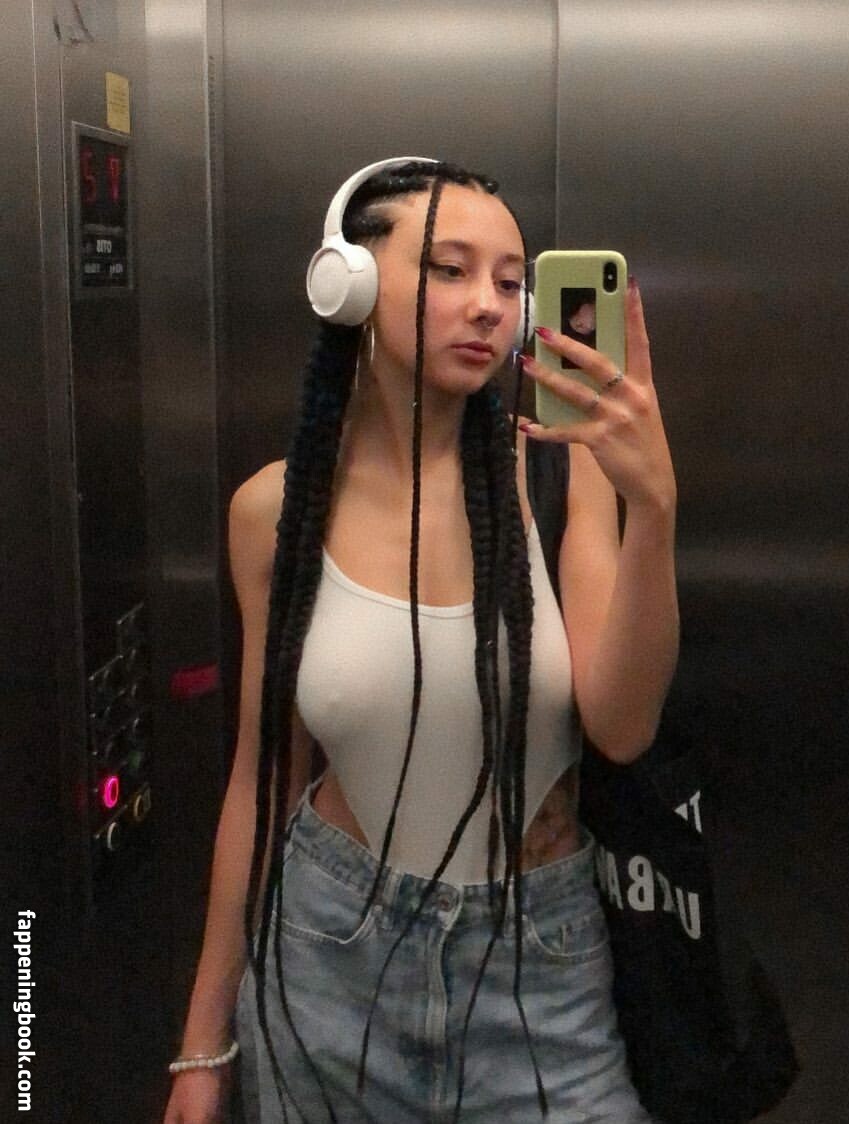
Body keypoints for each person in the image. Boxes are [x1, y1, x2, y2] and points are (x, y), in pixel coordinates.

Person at [162, 158, 678, 1124]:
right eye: (449, 270)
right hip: (330, 958)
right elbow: (261, 780)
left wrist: (652, 508)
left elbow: (622, 726)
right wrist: (203, 1043)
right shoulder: (276, 513)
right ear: (348, 284)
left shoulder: (563, 472)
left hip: (538, 966)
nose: (488, 304)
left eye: (511, 282)